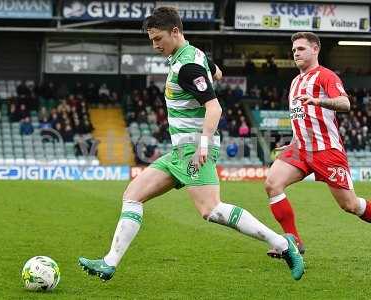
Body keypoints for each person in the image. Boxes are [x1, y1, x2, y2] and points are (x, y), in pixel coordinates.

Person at [78, 7, 304, 282]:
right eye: (151, 40)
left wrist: (203, 146)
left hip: (194, 148)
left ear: (175, 32)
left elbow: (215, 108)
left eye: (158, 38)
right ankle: (109, 262)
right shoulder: (193, 56)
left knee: (211, 210)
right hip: (180, 151)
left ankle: (283, 244)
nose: (155, 45)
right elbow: (217, 73)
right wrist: (208, 76)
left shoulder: (188, 66)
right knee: (133, 194)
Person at [265, 32, 371, 258]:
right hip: (301, 149)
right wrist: (293, 142)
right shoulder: (295, 82)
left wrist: (319, 100)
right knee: (272, 184)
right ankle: (293, 243)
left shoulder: (326, 76)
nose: (296, 53)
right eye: (294, 50)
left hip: (326, 151)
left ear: (315, 50)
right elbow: (299, 117)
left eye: (301, 49)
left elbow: (345, 103)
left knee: (351, 205)